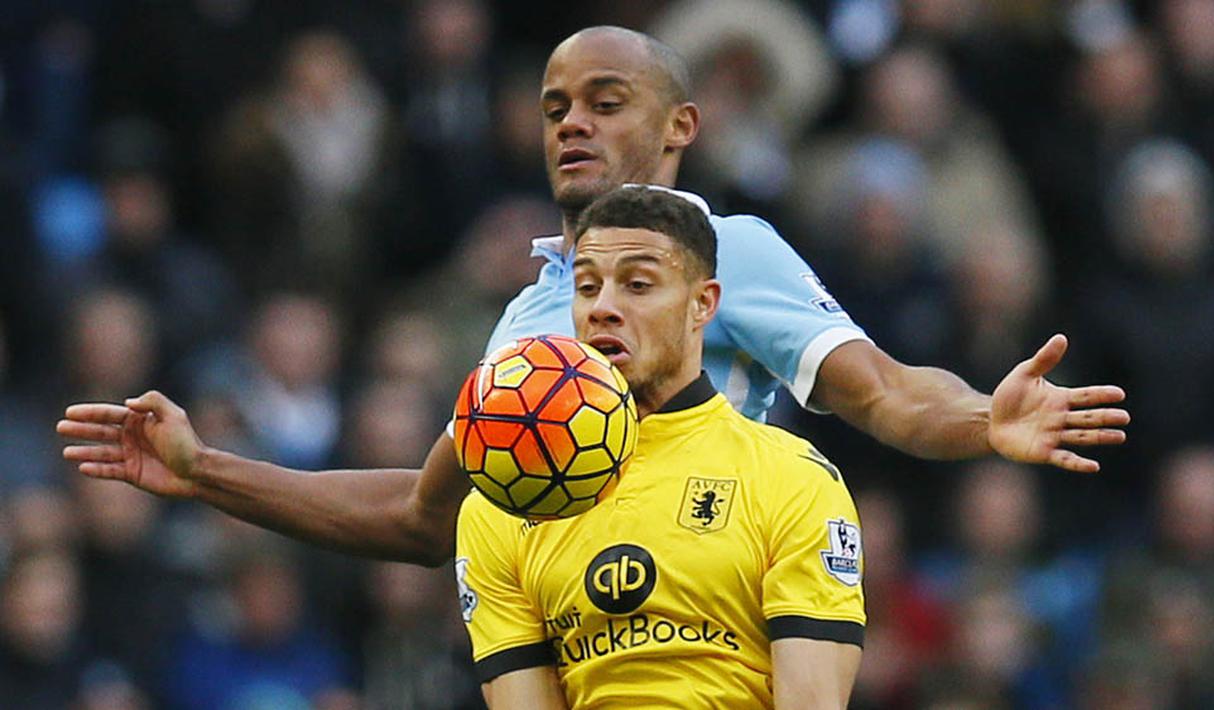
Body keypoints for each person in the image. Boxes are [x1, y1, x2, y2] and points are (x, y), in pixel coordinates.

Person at [57, 26, 1128, 568]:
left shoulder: (721, 248)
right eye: (555, 104)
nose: (571, 122)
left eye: (606, 102)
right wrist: (207, 474)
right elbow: (426, 519)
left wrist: (983, 418)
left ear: (679, 129)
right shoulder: (528, 314)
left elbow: (885, 393)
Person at [460, 185, 863, 709]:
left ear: (703, 304)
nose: (603, 308)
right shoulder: (504, 504)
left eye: (637, 285)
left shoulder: (792, 478)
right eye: (586, 287)